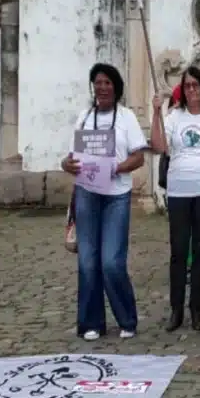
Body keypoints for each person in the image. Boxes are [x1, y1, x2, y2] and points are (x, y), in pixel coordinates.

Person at [61, 63, 147, 341]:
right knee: (88, 262)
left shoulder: (126, 118)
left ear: (116, 87)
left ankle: (127, 318)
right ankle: (91, 323)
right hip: (87, 194)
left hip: (116, 197)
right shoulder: (84, 117)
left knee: (111, 261)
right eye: (98, 83)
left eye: (107, 82)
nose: (102, 87)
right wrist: (67, 164)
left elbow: (139, 157)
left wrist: (118, 168)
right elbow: (71, 157)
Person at [150, 67, 200, 332]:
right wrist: (156, 113)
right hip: (179, 192)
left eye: (195, 85)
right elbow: (159, 146)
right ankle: (176, 309)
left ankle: (196, 309)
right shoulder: (174, 116)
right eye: (187, 85)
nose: (192, 89)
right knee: (179, 252)